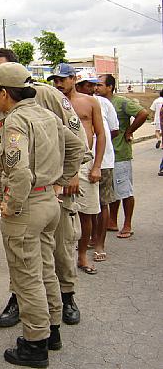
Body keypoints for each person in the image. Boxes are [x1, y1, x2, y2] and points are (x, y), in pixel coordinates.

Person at [0, 62, 83, 367]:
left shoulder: (16, 121)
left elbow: (20, 172)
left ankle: (35, 343)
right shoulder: (47, 114)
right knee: (45, 269)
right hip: (48, 203)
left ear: (3, 92)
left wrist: (10, 206)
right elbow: (77, 146)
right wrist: (62, 180)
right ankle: (52, 330)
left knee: (26, 278)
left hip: (26, 207)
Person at [48, 63, 105, 275]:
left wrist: (97, 165)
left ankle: (82, 255)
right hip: (59, 166)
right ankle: (61, 260)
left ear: (73, 78)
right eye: (55, 80)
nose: (58, 84)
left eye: (62, 79)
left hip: (85, 164)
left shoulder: (89, 102)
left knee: (87, 212)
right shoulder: (51, 103)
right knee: (62, 215)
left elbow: (100, 134)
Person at [96, 74, 148, 238]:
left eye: (100, 85)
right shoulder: (97, 102)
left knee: (124, 190)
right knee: (111, 190)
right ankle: (112, 221)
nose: (96, 88)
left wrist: (129, 131)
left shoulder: (121, 102)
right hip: (106, 155)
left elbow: (143, 113)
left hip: (120, 153)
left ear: (110, 87)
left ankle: (127, 224)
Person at [75, 72, 119, 262]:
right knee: (86, 207)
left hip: (102, 160)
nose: (92, 88)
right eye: (87, 84)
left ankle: (100, 243)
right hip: (80, 162)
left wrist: (98, 163)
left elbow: (111, 130)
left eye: (94, 84)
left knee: (102, 203)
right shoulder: (69, 103)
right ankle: (89, 239)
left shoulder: (101, 103)